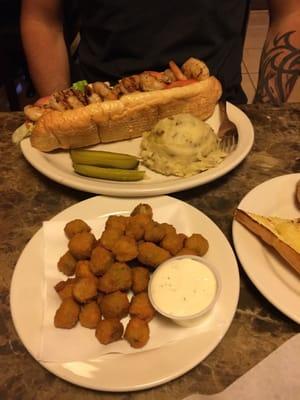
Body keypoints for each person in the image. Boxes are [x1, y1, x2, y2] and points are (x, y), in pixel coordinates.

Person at [20, 0, 300, 105]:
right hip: (103, 107)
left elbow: (290, 12)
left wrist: (270, 113)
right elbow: (42, 19)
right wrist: (62, 109)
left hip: (218, 114)